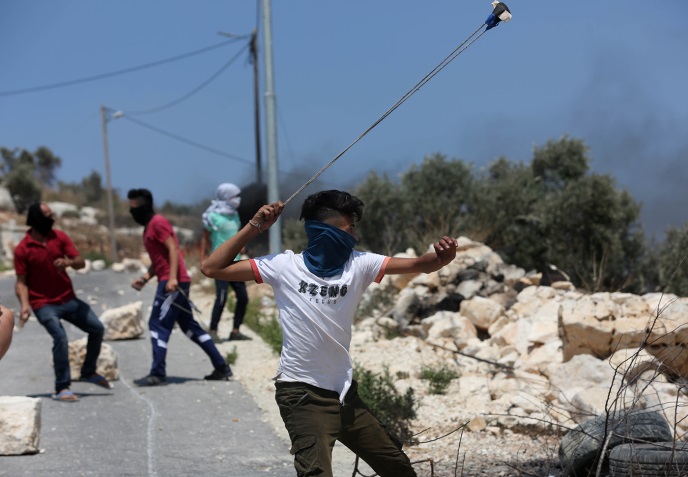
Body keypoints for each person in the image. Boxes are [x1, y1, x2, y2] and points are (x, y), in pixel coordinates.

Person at [201, 190, 458, 477]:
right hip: (301, 395)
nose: (355, 237)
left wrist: (442, 258)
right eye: (350, 229)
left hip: (344, 394)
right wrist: (255, 226)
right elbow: (211, 268)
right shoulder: (283, 266)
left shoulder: (360, 265)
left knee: (398, 467)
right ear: (327, 231)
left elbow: (420, 264)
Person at [127, 188, 233, 385]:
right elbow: (159, 259)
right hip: (169, 279)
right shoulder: (148, 227)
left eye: (135, 207)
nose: (132, 212)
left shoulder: (158, 223)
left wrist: (173, 278)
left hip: (172, 283)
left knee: (157, 324)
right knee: (189, 327)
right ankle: (222, 367)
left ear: (146, 206)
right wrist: (145, 277)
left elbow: (173, 249)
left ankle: (157, 372)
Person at [14, 202, 111, 402]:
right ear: (37, 220)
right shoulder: (23, 249)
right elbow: (21, 282)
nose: (53, 219)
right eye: (48, 216)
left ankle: (88, 371)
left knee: (97, 328)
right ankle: (62, 388)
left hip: (68, 299)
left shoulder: (59, 237)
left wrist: (68, 262)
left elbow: (81, 262)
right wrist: (24, 305)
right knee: (60, 338)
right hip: (43, 304)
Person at [200, 183, 251, 343]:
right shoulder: (213, 216)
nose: (238, 199)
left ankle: (235, 331)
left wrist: (241, 246)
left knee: (243, 297)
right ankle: (213, 331)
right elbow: (205, 238)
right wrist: (203, 258)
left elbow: (236, 235)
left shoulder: (234, 214)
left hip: (235, 262)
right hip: (219, 263)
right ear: (226, 197)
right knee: (221, 298)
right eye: (235, 196)